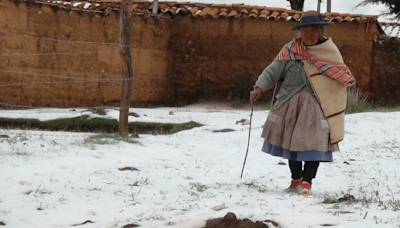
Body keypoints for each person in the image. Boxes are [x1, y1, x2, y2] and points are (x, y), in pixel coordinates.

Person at [249, 11, 355, 195]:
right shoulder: (291, 49)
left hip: (318, 106)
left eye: (313, 31)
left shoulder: (329, 52)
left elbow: (339, 76)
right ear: (300, 33)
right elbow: (273, 70)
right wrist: (259, 88)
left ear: (321, 32)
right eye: (305, 32)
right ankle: (295, 178)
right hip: (290, 104)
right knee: (291, 142)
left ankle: (307, 182)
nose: (309, 36)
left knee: (315, 143)